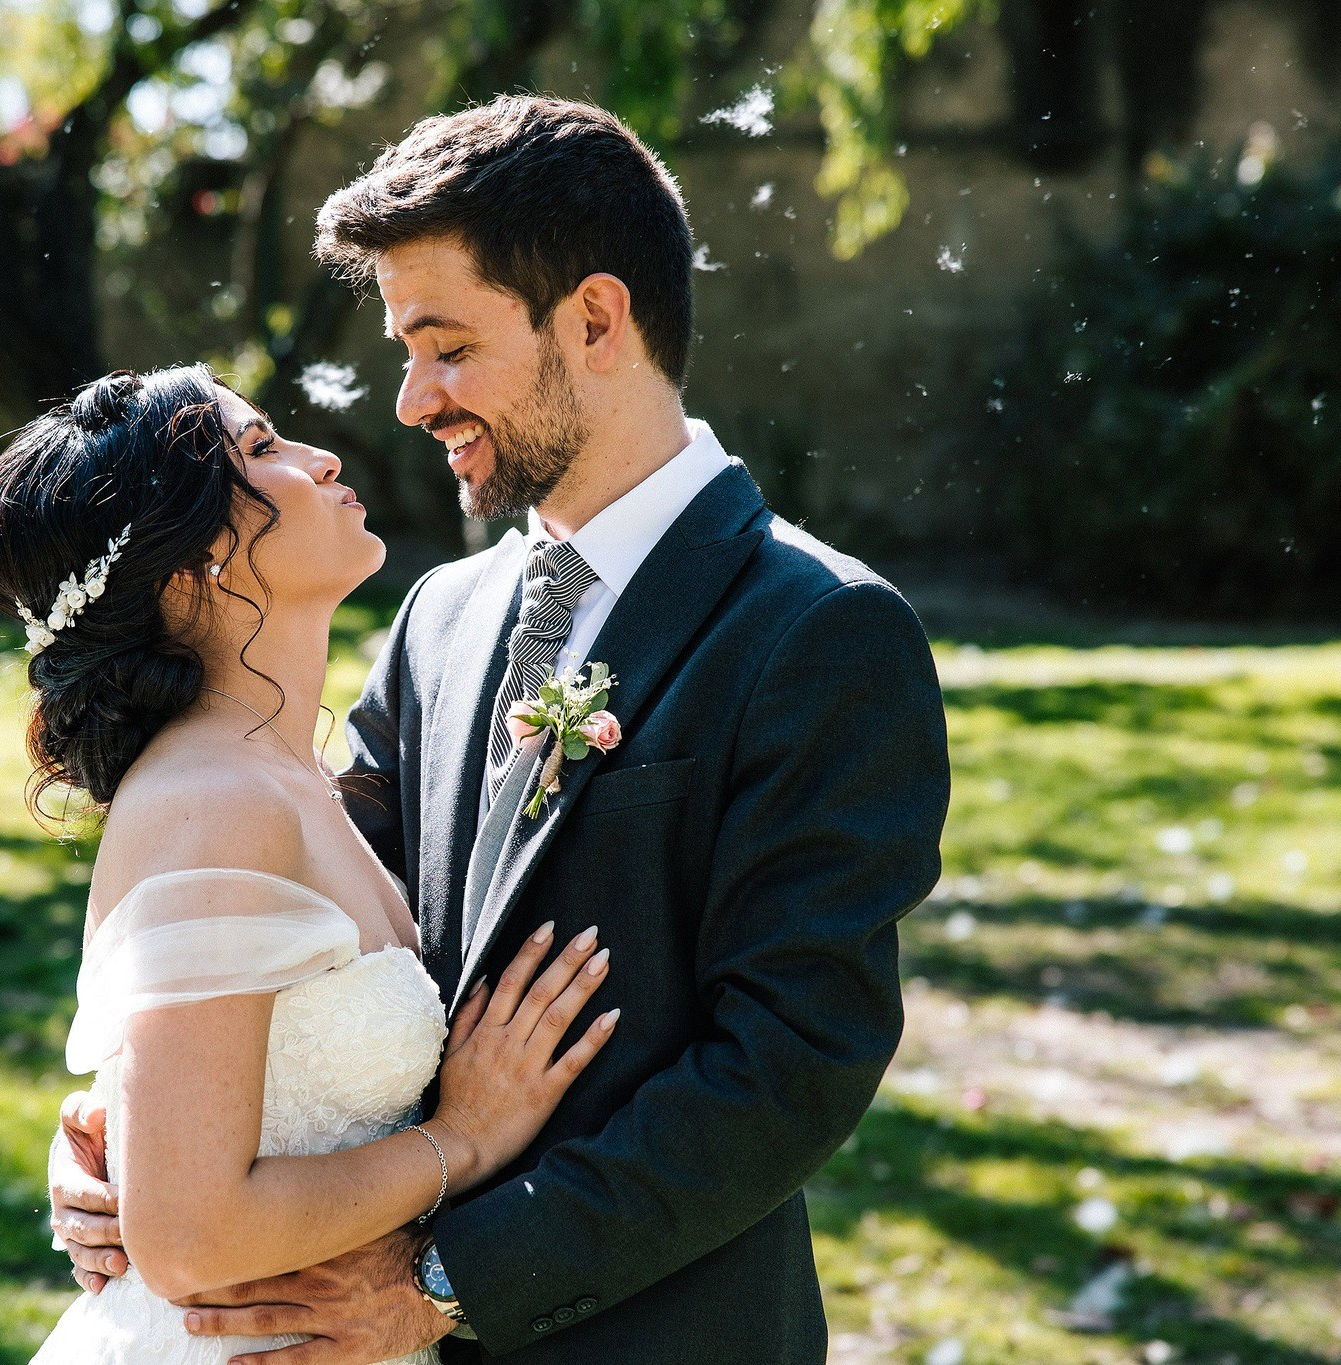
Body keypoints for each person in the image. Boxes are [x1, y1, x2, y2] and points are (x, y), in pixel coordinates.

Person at [48, 95, 951, 1364]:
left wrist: (443, 1282)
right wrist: (123, 1140)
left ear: (592, 320)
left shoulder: (815, 631)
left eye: (445, 346)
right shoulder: (439, 616)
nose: (411, 400)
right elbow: (280, 927)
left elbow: (789, 1067)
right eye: (404, 351)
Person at [0, 364, 620, 1365]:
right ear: (193, 565)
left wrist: (123, 1132)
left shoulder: (288, 776)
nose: (322, 458)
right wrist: (465, 1139)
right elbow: (187, 1239)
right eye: (265, 450)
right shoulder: (213, 804)